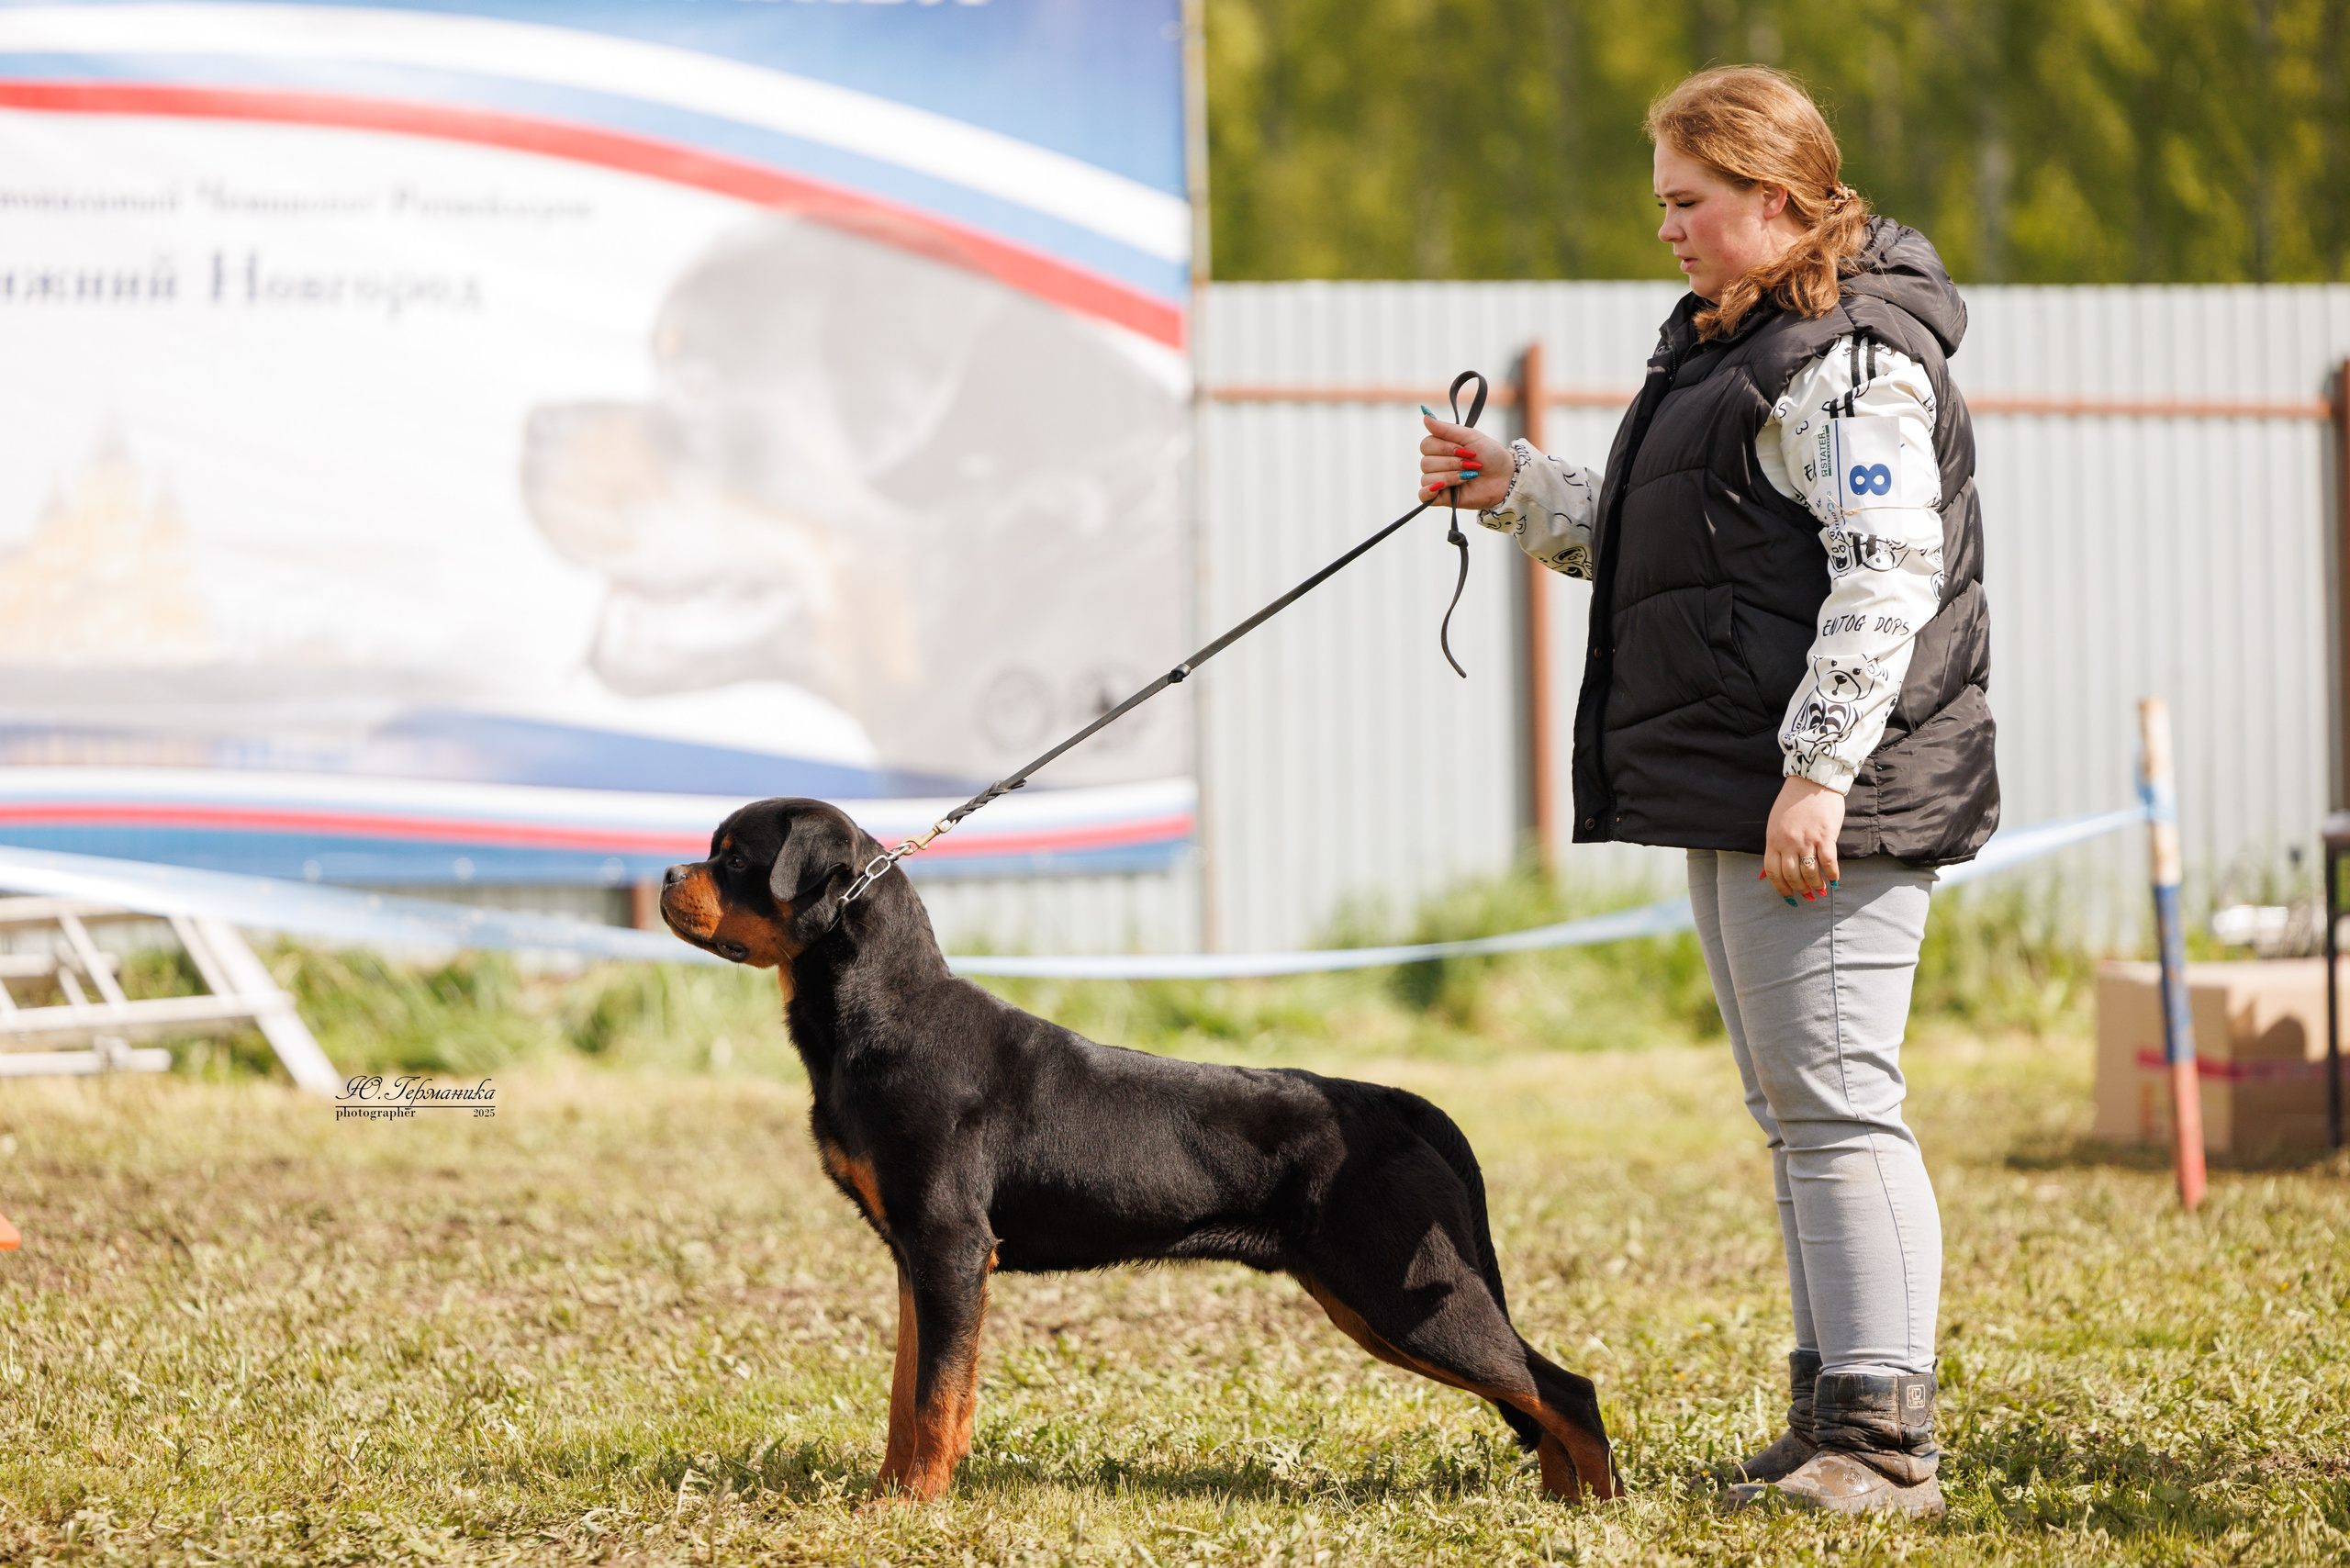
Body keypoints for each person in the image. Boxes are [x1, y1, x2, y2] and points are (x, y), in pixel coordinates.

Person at [1419, 65, 1998, 1518]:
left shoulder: (1853, 360)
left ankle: (1883, 1447)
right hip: (1747, 787)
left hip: (1824, 796)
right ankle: (1829, 1420)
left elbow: (1887, 581)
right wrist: (1511, 484)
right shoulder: (1735, 345)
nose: (1666, 227)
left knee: (1842, 1106)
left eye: (1689, 201)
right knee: (1794, 1107)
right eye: (1662, 200)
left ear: (1778, 200)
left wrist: (1815, 776)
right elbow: (1662, 541)